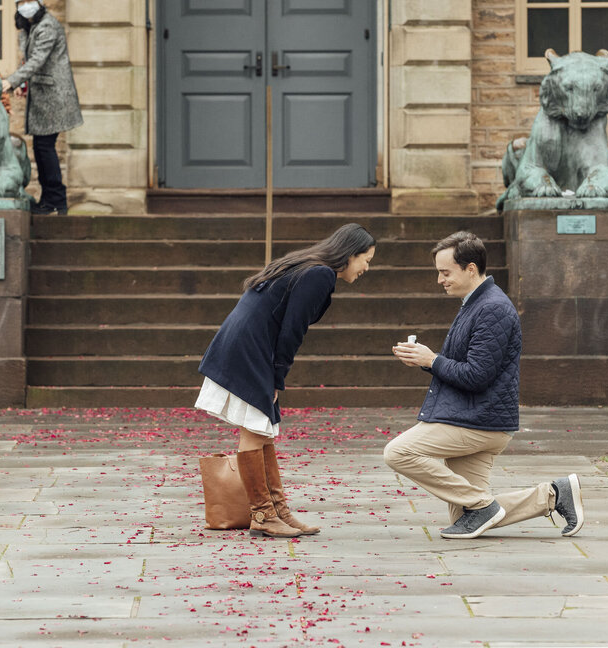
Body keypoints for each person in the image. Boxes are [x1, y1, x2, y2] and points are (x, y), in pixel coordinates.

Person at [385, 231, 583, 540]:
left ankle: (482, 505)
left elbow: (477, 375)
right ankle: (555, 495)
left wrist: (432, 360)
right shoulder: (476, 303)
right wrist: (425, 361)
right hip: (474, 416)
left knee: (397, 453)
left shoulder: (493, 308)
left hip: (479, 421)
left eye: (445, 272)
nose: (440, 280)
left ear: (471, 268)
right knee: (469, 515)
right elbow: (465, 368)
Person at [195, 223, 377, 538]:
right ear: (350, 254)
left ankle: (278, 512)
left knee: (262, 428)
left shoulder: (308, 265)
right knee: (255, 428)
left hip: (246, 344)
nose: (367, 268)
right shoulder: (319, 275)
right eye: (366, 259)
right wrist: (278, 376)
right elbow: (292, 331)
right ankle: (264, 516)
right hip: (252, 350)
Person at [1, 0, 82, 216]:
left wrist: (12, 80)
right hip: (42, 96)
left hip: (54, 96)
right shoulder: (28, 28)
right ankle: (51, 199)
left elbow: (38, 60)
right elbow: (28, 59)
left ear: (39, 2)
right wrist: (22, 83)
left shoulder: (47, 27)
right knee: (41, 148)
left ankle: (55, 200)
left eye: (30, 0)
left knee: (45, 148)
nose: (26, 5)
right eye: (21, 1)